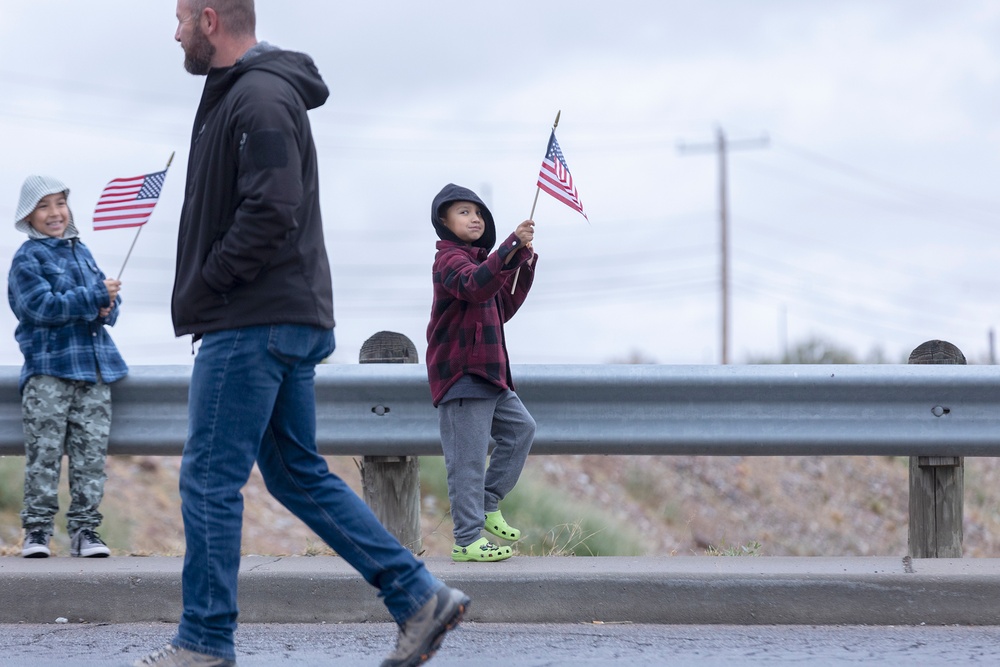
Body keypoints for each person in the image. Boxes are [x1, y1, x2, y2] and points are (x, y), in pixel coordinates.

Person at [134, 3, 469, 666]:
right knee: (295, 473)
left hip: (251, 320)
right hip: (282, 314)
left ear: (209, 18)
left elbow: (273, 206)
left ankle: (203, 641)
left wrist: (210, 284)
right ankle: (417, 594)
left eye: (177, 18)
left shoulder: (257, 96)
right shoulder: (252, 92)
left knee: (208, 478)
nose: (172, 33)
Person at [7, 175, 127, 559]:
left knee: (91, 457)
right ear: (29, 216)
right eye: (44, 206)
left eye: (60, 203)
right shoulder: (27, 258)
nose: (55, 213)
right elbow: (39, 307)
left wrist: (108, 305)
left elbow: (103, 309)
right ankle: (38, 532)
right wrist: (94, 295)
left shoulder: (83, 251)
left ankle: (85, 531)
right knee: (44, 456)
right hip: (49, 372)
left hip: (93, 372)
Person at [426, 184, 538, 563]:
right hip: (463, 375)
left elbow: (501, 304)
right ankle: (467, 540)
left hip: (491, 375)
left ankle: (488, 503)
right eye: (463, 212)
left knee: (521, 430)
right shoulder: (449, 261)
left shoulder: (480, 265)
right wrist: (508, 248)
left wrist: (519, 262)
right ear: (443, 221)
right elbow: (474, 287)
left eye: (478, 213)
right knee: (467, 462)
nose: (474, 218)